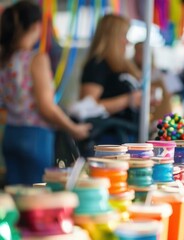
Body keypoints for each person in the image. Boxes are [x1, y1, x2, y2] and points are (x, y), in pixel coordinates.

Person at [0, 1, 91, 185]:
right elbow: (46, 106)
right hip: (35, 136)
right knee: (36, 198)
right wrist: (73, 129)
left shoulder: (5, 60)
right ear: (35, 26)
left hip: (10, 134)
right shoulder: (36, 59)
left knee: (15, 198)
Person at [80, 14, 141, 143]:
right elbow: (87, 106)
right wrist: (128, 100)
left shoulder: (121, 65)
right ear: (113, 38)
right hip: (109, 139)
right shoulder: (97, 65)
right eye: (123, 36)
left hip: (127, 135)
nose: (127, 41)